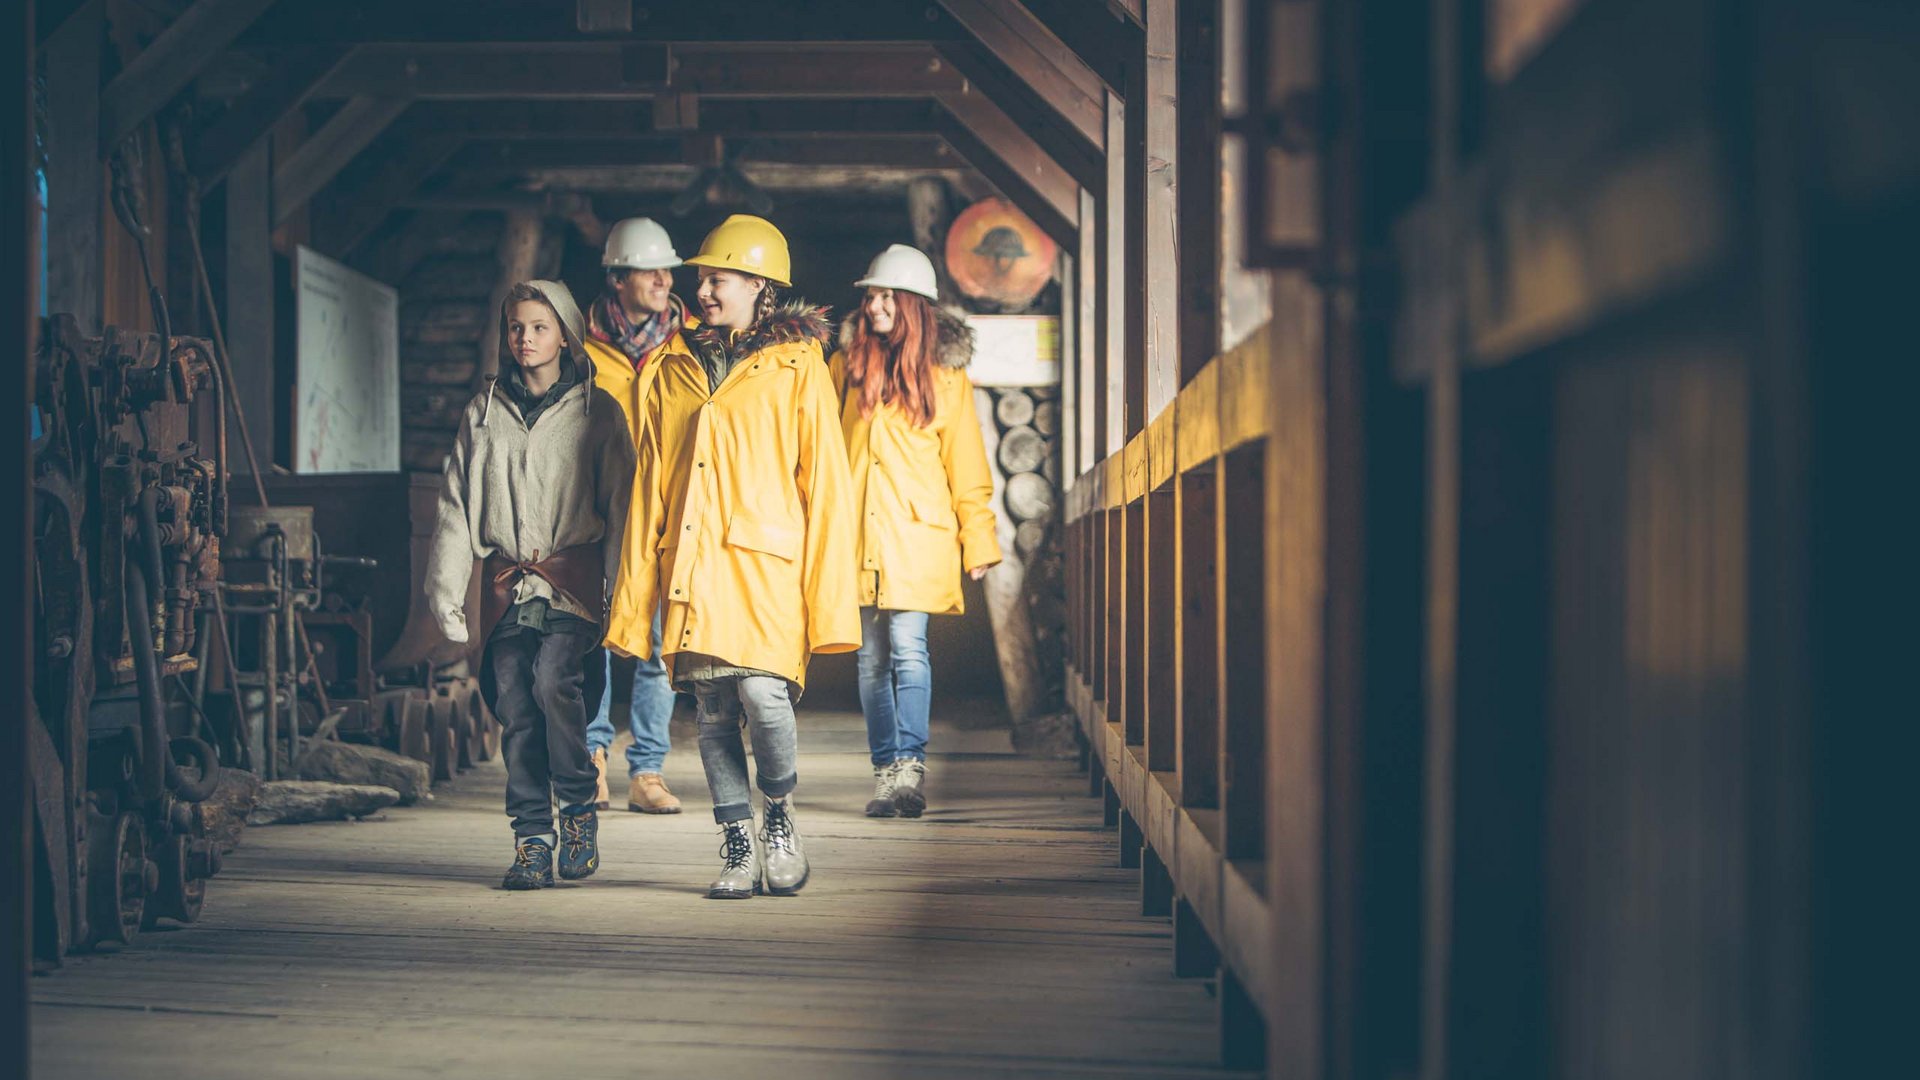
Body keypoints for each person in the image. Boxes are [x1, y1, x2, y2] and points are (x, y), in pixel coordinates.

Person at [607, 214, 861, 899]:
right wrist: (636, 601)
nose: (704, 289)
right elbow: (650, 488)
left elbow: (827, 487)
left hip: (767, 568)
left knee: (763, 695)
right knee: (714, 710)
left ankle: (777, 811)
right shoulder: (672, 367)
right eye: (702, 278)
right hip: (692, 568)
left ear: (760, 286)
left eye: (717, 277)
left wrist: (828, 599)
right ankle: (737, 841)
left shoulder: (801, 366)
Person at [425, 280, 633, 890]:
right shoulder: (483, 412)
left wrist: (621, 592)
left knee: (553, 683)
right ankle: (532, 840)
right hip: (509, 585)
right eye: (516, 327)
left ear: (564, 334)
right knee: (515, 705)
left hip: (571, 580)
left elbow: (622, 507)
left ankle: (577, 809)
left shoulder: (600, 412)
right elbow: (456, 505)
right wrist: (444, 588)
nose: (525, 339)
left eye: (539, 327)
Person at [828, 245, 1001, 819]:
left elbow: (968, 465)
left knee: (908, 650)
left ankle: (910, 767)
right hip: (857, 535)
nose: (874, 305)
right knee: (870, 657)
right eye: (870, 296)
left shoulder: (947, 380)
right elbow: (822, 452)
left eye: (885, 296)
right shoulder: (845, 368)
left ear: (913, 306)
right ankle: (885, 773)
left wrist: (978, 538)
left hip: (917, 537)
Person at [580, 217, 694, 815]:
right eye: (650, 269)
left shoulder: (692, 341)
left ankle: (647, 772)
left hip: (668, 514)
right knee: (594, 638)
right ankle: (593, 760)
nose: (663, 279)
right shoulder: (580, 348)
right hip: (601, 516)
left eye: (666, 269)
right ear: (618, 278)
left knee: (658, 645)